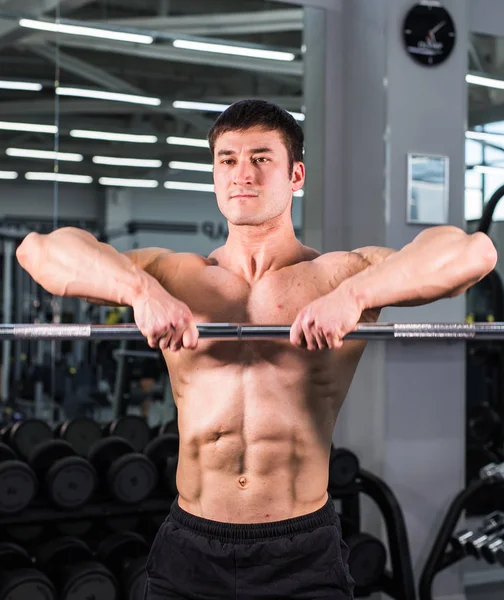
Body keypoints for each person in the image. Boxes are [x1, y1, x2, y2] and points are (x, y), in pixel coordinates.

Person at [17, 99, 497, 600]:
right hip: (190, 547)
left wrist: (355, 298)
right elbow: (39, 251)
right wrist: (140, 293)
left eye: (261, 158)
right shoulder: (172, 275)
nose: (241, 173)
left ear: (296, 175)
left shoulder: (342, 275)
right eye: (227, 160)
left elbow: (473, 253)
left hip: (302, 551)